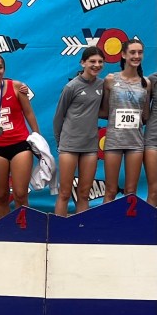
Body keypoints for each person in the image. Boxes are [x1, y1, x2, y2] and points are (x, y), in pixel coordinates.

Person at [0, 54, 39, 219]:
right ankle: (4, 230)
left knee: (20, 194)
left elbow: (29, 113)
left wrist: (37, 137)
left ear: (4, 70)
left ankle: (23, 228)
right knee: (0, 195)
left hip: (20, 145)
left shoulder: (16, 87)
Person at [53, 47, 105, 216]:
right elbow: (58, 117)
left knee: (84, 193)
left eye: (100, 62)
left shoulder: (103, 85)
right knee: (64, 193)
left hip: (90, 147)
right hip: (69, 146)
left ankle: (81, 229)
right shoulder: (71, 86)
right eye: (92, 61)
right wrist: (61, 143)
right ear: (83, 63)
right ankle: (58, 229)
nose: (96, 65)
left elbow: (105, 110)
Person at [100, 39, 150, 203]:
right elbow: (105, 111)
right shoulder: (110, 80)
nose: (136, 56)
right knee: (110, 190)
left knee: (131, 191)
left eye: (140, 52)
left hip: (135, 142)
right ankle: (106, 220)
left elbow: (145, 115)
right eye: (132, 52)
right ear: (123, 55)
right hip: (114, 140)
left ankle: (127, 221)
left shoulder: (146, 83)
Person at [144, 71, 157, 206]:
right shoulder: (152, 80)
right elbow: (145, 113)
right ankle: (149, 219)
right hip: (153, 140)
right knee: (154, 191)